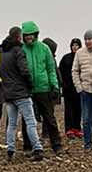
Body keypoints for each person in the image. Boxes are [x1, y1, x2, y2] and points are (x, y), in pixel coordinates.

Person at [0, 28, 42, 160]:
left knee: (11, 124)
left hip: (8, 94)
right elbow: (24, 71)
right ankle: (37, 148)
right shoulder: (18, 51)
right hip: (21, 93)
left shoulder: (2, 53)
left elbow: (0, 72)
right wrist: (30, 85)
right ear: (19, 37)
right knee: (30, 121)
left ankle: (10, 150)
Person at [20, 22, 63, 152]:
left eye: (31, 34)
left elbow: (51, 69)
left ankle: (56, 144)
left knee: (49, 118)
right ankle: (28, 146)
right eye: (26, 35)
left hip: (44, 89)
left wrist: (55, 86)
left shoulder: (44, 48)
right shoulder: (20, 49)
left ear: (36, 34)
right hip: (27, 90)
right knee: (27, 120)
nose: (29, 37)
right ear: (23, 35)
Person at [60, 36, 84, 140]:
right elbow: (60, 71)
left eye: (77, 45)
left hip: (79, 88)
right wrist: (62, 84)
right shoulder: (66, 58)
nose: (75, 47)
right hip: (68, 89)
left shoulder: (83, 58)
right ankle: (69, 129)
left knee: (78, 109)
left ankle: (77, 128)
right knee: (68, 110)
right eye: (73, 45)